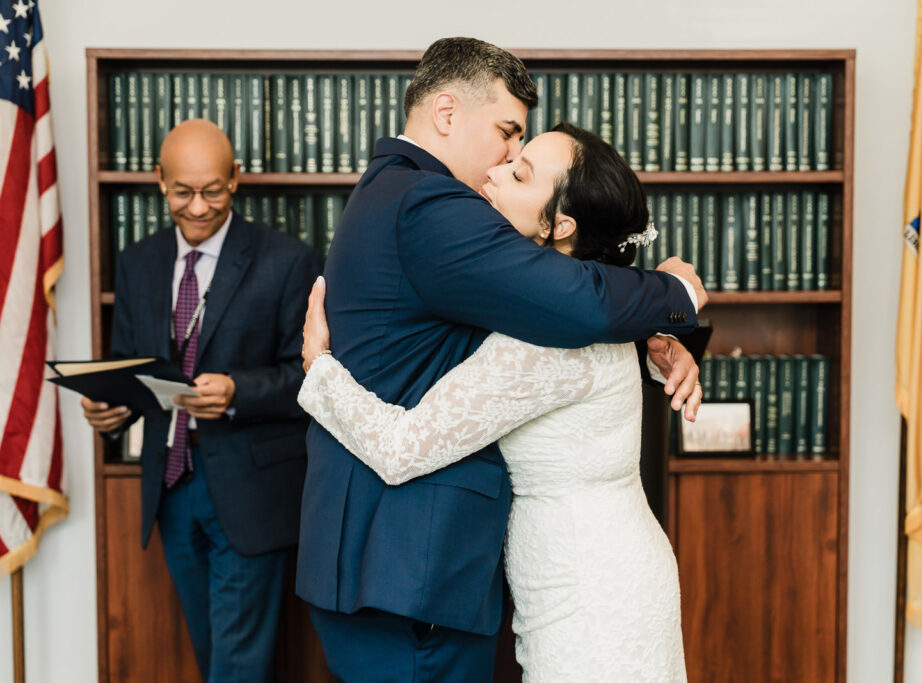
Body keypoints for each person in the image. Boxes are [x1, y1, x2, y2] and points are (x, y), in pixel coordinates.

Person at [298, 37, 705, 682]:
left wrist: (664, 338)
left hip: (572, 581)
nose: (507, 157)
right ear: (447, 113)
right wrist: (675, 294)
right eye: (508, 135)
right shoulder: (434, 206)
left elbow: (573, 311)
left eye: (521, 165)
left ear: (559, 224)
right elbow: (580, 304)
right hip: (418, 570)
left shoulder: (396, 194)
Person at [80, 119, 320, 682]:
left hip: (250, 490)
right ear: (159, 180)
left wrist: (238, 391)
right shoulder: (138, 262)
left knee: (237, 667)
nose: (198, 206)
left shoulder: (286, 260)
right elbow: (133, 370)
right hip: (171, 488)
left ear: (235, 179)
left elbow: (313, 378)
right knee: (214, 656)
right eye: (183, 191)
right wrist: (112, 409)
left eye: (213, 190)